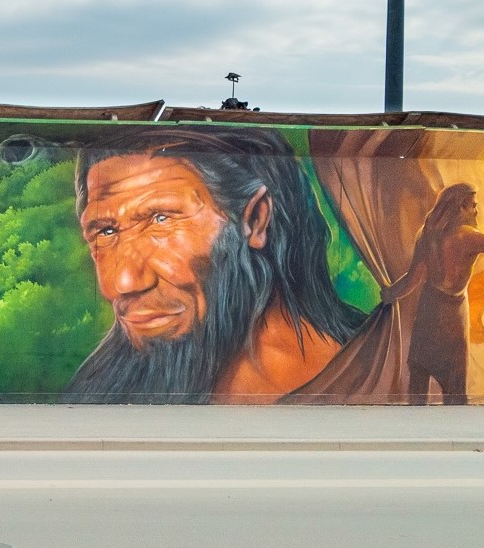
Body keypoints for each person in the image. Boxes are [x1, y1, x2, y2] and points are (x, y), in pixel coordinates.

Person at [62, 127, 366, 404]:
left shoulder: (375, 367)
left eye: (161, 219)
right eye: (106, 231)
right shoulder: (99, 392)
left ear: (256, 219)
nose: (122, 282)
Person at [381, 183, 484, 404]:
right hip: (451, 318)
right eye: (472, 206)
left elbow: (412, 279)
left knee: (418, 383)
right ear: (459, 208)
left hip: (428, 310)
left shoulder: (427, 234)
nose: (476, 211)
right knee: (455, 393)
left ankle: (413, 433)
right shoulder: (466, 236)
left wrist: (390, 293)